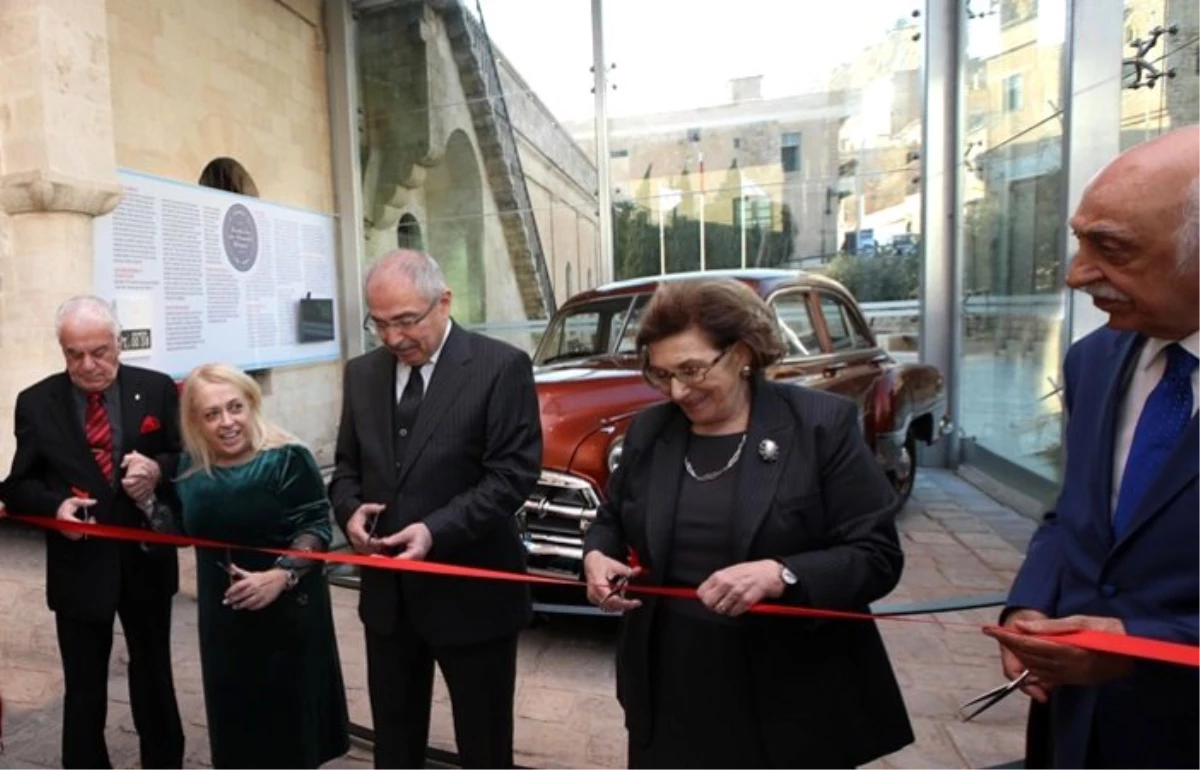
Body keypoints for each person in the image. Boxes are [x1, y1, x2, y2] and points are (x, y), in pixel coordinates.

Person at [581, 278, 913, 770]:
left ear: (742, 353)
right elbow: (612, 515)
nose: (677, 391)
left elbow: (877, 555)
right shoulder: (651, 430)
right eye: (662, 374)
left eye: (692, 370)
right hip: (669, 681)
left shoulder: (821, 426)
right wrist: (597, 554)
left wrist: (781, 574)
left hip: (791, 690)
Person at [985, 126, 1200, 770]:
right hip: (1076, 734)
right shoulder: (1093, 361)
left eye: (1111, 248)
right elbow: (1073, 515)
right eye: (1079, 241)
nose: (1078, 274)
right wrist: (1031, 603)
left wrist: (1147, 645)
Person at [329, 249, 542, 770]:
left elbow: (511, 476)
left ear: (443, 301)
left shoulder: (500, 367)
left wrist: (435, 530)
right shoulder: (362, 374)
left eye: (406, 321)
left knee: (484, 744)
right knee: (394, 744)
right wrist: (350, 510)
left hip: (473, 593)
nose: (394, 338)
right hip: (389, 601)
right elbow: (346, 467)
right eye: (379, 324)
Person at [0, 296, 185, 770]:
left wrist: (157, 471)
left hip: (145, 560)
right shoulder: (37, 402)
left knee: (154, 679)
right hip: (78, 567)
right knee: (83, 688)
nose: (88, 365)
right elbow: (18, 486)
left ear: (118, 343)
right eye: (74, 354)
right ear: (62, 351)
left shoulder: (158, 389)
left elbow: (186, 458)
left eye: (99, 351)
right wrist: (55, 506)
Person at [151, 363, 349, 769]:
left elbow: (316, 527)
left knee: (289, 737)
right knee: (237, 730)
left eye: (235, 407)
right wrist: (145, 501)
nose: (227, 422)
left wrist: (281, 574)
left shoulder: (286, 458)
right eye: (212, 413)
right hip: (225, 625)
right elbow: (181, 529)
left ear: (252, 404)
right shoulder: (190, 470)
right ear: (195, 420)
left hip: (288, 618)